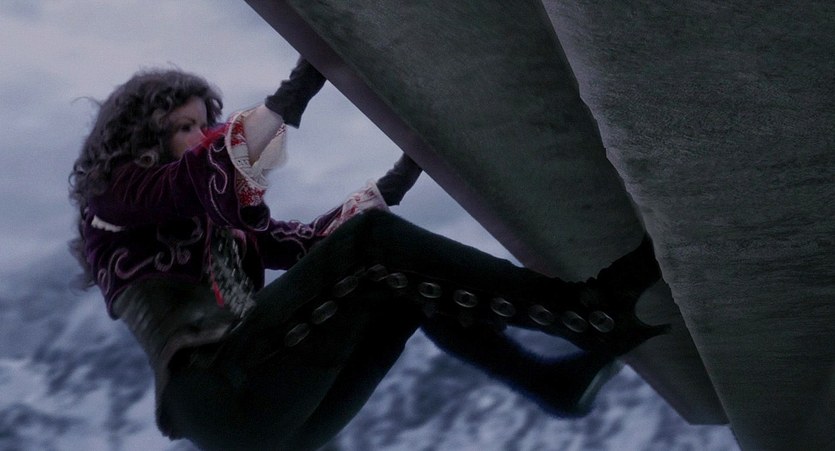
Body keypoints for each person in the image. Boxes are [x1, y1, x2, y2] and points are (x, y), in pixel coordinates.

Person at [69, 58, 667, 450]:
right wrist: (303, 82)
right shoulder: (113, 201)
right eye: (184, 126)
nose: (201, 136)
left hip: (282, 419)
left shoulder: (226, 229)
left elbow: (315, 245)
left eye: (206, 124)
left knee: (393, 286)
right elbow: (195, 177)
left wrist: (408, 169)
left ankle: (548, 382)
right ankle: (582, 310)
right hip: (221, 396)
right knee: (373, 250)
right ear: (144, 138)